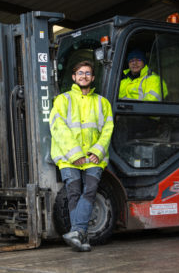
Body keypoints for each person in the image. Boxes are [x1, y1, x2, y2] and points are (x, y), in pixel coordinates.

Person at [50, 61, 114, 252]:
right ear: (73, 77)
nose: (84, 76)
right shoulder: (62, 100)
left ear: (93, 78)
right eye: (80, 73)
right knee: (73, 192)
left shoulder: (102, 102)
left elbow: (108, 130)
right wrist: (75, 153)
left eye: (87, 73)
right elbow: (58, 128)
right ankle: (81, 236)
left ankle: (77, 232)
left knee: (90, 190)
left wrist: (97, 151)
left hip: (94, 157)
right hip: (69, 156)